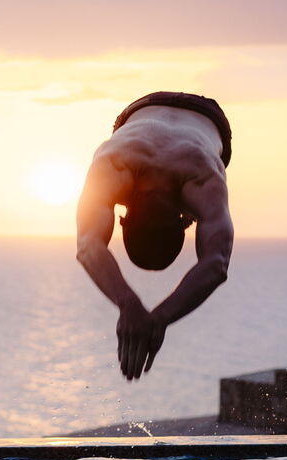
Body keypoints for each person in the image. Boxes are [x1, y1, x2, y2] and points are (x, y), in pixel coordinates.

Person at [76, 91, 234, 381]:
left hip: (205, 120)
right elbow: (216, 264)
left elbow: (217, 265)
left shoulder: (203, 176)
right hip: (140, 112)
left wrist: (139, 309)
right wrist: (141, 311)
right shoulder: (117, 165)